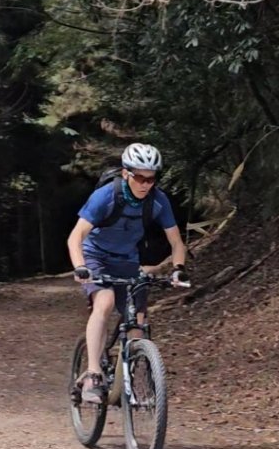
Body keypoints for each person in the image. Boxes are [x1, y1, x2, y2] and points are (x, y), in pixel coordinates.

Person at [67, 142, 188, 402]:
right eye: (140, 178)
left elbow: (177, 242)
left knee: (138, 320)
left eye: (151, 179)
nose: (145, 184)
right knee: (105, 300)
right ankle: (93, 373)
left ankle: (129, 378)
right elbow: (76, 236)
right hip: (95, 256)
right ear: (126, 173)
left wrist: (178, 269)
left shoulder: (158, 200)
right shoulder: (106, 196)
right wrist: (80, 267)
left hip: (127, 260)